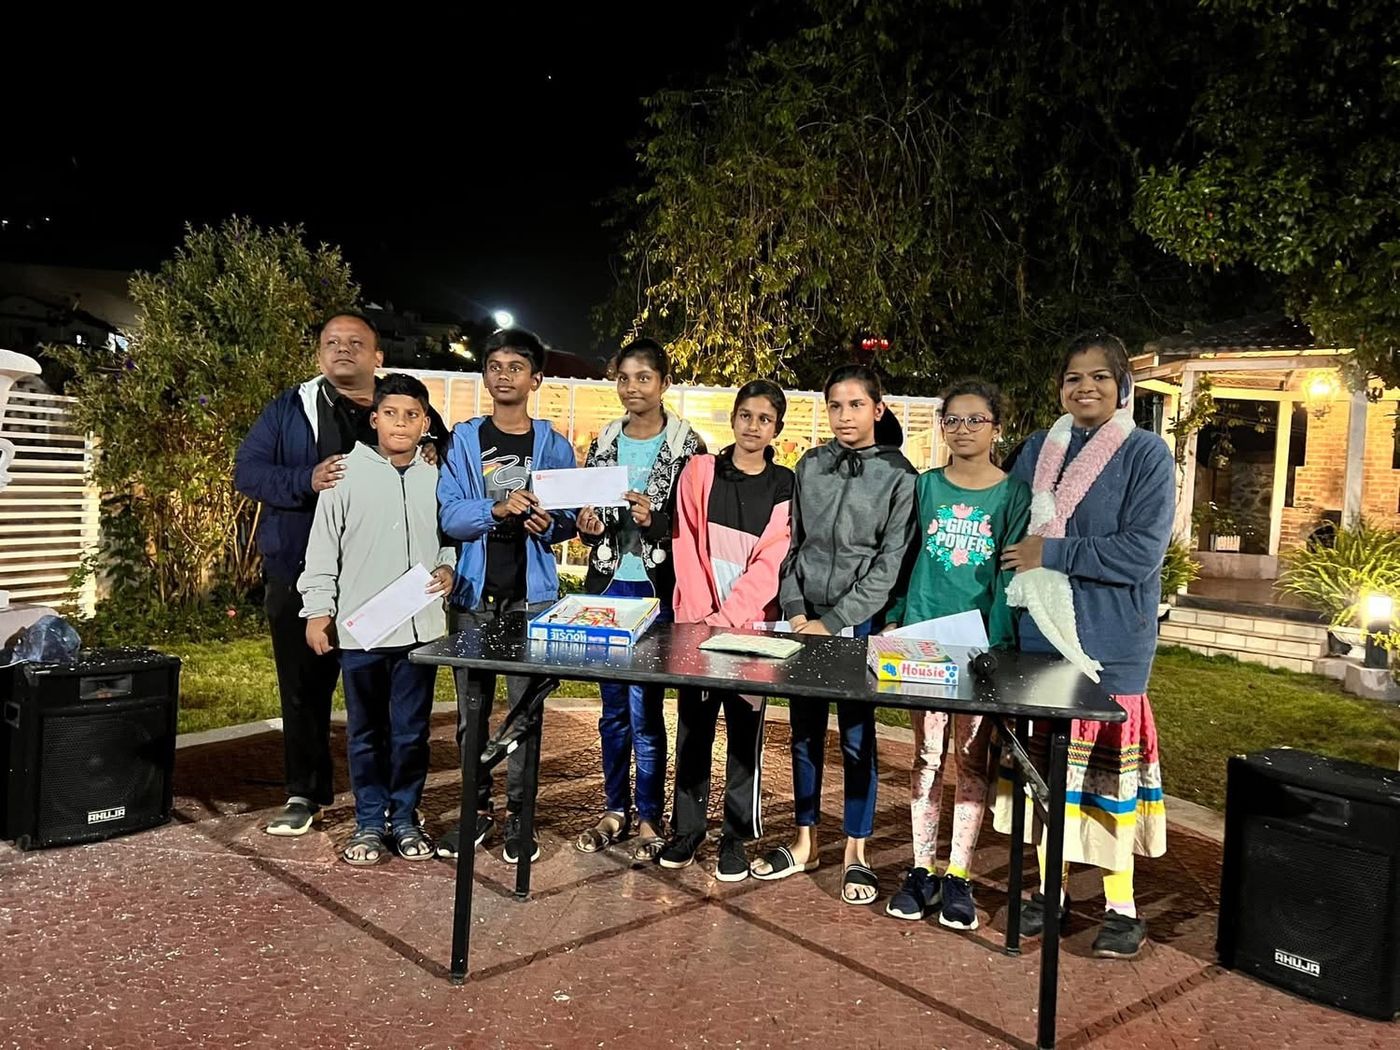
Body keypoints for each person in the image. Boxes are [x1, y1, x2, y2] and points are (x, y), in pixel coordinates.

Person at [996, 331, 1172, 960]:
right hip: (1039, 637)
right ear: (1060, 388)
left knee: (1106, 783)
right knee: (1051, 779)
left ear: (1123, 386)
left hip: (1110, 643)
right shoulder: (1039, 450)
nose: (1085, 387)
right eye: (1074, 377)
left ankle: (1122, 908)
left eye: (1100, 376)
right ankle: (1052, 890)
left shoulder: (1147, 455)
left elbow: (1141, 553)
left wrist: (1052, 551)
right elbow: (1008, 522)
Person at [234, 312, 446, 836]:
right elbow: (248, 471)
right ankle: (305, 792)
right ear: (318, 354)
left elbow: (442, 481)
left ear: (378, 355)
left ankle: (393, 804)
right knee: (304, 690)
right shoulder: (290, 408)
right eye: (332, 342)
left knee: (388, 706)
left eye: (356, 342)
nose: (343, 349)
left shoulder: (404, 404)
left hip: (390, 587)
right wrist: (305, 479)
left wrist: (435, 450)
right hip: (301, 570)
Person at [750, 364, 918, 905]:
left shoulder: (900, 475)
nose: (844, 416)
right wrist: (798, 609)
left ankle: (856, 850)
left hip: (857, 624)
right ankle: (806, 841)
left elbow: (890, 563)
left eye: (856, 405)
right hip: (805, 619)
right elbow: (794, 544)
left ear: (878, 409)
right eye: (835, 406)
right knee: (803, 731)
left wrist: (836, 621)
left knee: (857, 736)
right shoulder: (811, 465)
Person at [881, 379, 1030, 928]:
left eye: (975, 419)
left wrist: (997, 644)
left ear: (996, 428)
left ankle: (958, 875)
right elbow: (907, 556)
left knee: (971, 758)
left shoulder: (1013, 495)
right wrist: (898, 616)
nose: (963, 429)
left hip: (980, 648)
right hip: (924, 641)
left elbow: (1010, 575)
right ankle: (921, 868)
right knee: (926, 755)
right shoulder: (925, 487)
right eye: (953, 419)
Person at [297, 373, 456, 865]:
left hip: (420, 629)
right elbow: (323, 547)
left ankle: (405, 817)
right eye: (390, 413)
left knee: (411, 732)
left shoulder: (437, 474)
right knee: (364, 733)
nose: (401, 423)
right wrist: (318, 610)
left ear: (425, 423)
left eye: (412, 415)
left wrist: (448, 566)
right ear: (374, 419)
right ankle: (368, 821)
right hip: (361, 631)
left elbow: (450, 533)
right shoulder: (344, 474)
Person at [435, 328, 577, 864]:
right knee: (471, 714)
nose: (503, 375)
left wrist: (549, 524)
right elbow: (450, 515)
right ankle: (475, 810)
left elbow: (566, 520)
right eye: (494, 366)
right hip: (473, 598)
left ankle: (521, 817)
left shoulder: (553, 445)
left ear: (535, 379)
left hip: (531, 600)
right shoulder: (464, 440)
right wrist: (494, 510)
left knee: (525, 714)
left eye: (515, 367)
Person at [660, 380, 794, 881]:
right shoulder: (700, 471)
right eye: (746, 415)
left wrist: (731, 616)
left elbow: (772, 559)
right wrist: (702, 618)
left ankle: (736, 836)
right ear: (733, 418)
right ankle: (687, 828)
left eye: (764, 419)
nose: (753, 426)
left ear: (776, 428)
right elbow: (685, 542)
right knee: (693, 729)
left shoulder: (784, 484)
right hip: (699, 624)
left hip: (751, 628)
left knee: (744, 735)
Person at [574, 338, 700, 862]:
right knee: (612, 711)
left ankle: (649, 815)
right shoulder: (605, 439)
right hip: (608, 589)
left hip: (656, 591)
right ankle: (614, 809)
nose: (632, 388)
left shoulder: (689, 446)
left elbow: (694, 524)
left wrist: (656, 520)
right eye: (624, 378)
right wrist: (586, 525)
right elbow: (587, 512)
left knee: (645, 709)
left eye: (644, 377)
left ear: (664, 383)